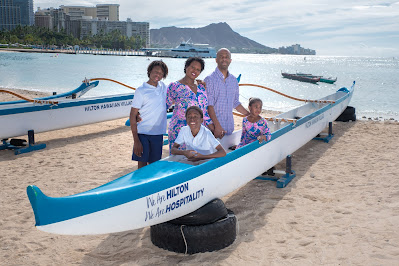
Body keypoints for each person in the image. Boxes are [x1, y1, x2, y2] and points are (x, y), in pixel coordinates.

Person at [166, 57, 213, 153]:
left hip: (199, 131)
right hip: (179, 131)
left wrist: (212, 126)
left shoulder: (201, 87)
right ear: (186, 66)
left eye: (198, 69)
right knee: (179, 163)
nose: (194, 71)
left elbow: (204, 110)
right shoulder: (174, 86)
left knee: (198, 160)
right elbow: (163, 106)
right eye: (192, 67)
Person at [130, 60, 168, 168]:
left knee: (154, 166)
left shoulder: (163, 87)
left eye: (161, 73)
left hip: (158, 134)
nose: (157, 75)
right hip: (143, 133)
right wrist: (136, 140)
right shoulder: (141, 90)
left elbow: (178, 88)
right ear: (149, 71)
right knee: (142, 166)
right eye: (155, 71)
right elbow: (133, 114)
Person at [204, 48, 250, 139]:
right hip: (214, 131)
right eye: (221, 57)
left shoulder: (233, 80)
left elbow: (235, 103)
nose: (224, 59)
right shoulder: (209, 79)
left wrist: (250, 115)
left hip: (229, 129)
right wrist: (217, 126)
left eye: (226, 57)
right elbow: (209, 106)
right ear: (216, 60)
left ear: (230, 60)